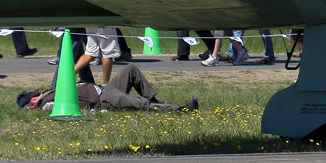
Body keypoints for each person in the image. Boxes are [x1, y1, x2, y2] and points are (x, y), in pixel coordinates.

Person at [19, 63, 198, 112]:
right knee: (139, 104)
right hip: (103, 100)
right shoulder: (47, 104)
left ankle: (156, 102)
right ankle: (179, 110)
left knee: (131, 69)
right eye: (35, 96)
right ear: (32, 103)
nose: (39, 93)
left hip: (104, 89)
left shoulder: (49, 94)